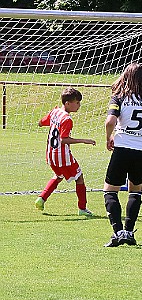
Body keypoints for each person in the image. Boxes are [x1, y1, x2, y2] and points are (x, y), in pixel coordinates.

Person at [103, 63, 142, 247]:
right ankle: (129, 231)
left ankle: (117, 232)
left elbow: (110, 121)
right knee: (136, 190)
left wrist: (109, 137)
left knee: (110, 190)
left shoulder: (119, 98)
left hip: (122, 148)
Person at [35, 87, 96, 216]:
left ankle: (41, 198)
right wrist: (84, 140)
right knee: (79, 178)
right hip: (63, 157)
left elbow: (43, 121)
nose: (79, 105)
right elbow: (64, 140)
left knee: (59, 176)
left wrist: (40, 123)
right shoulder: (67, 119)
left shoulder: (55, 112)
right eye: (77, 102)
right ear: (68, 103)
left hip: (50, 155)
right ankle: (82, 209)